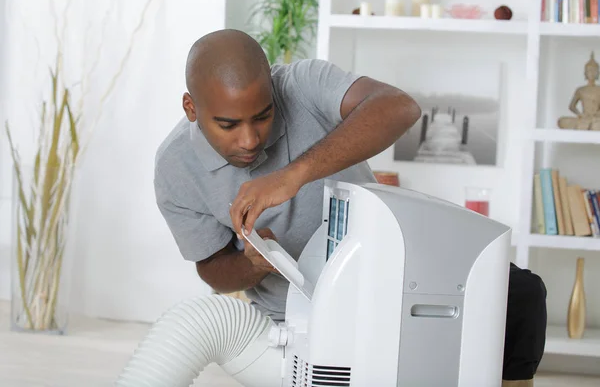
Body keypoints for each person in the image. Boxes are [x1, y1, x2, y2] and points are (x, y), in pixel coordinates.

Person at [154, 29, 547, 386]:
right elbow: (214, 271)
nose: (250, 139)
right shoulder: (175, 168)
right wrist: (253, 264)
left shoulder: (302, 85)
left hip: (393, 273)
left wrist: (292, 175)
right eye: (228, 125)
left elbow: (399, 107)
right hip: (304, 318)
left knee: (522, 295)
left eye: (263, 116)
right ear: (191, 108)